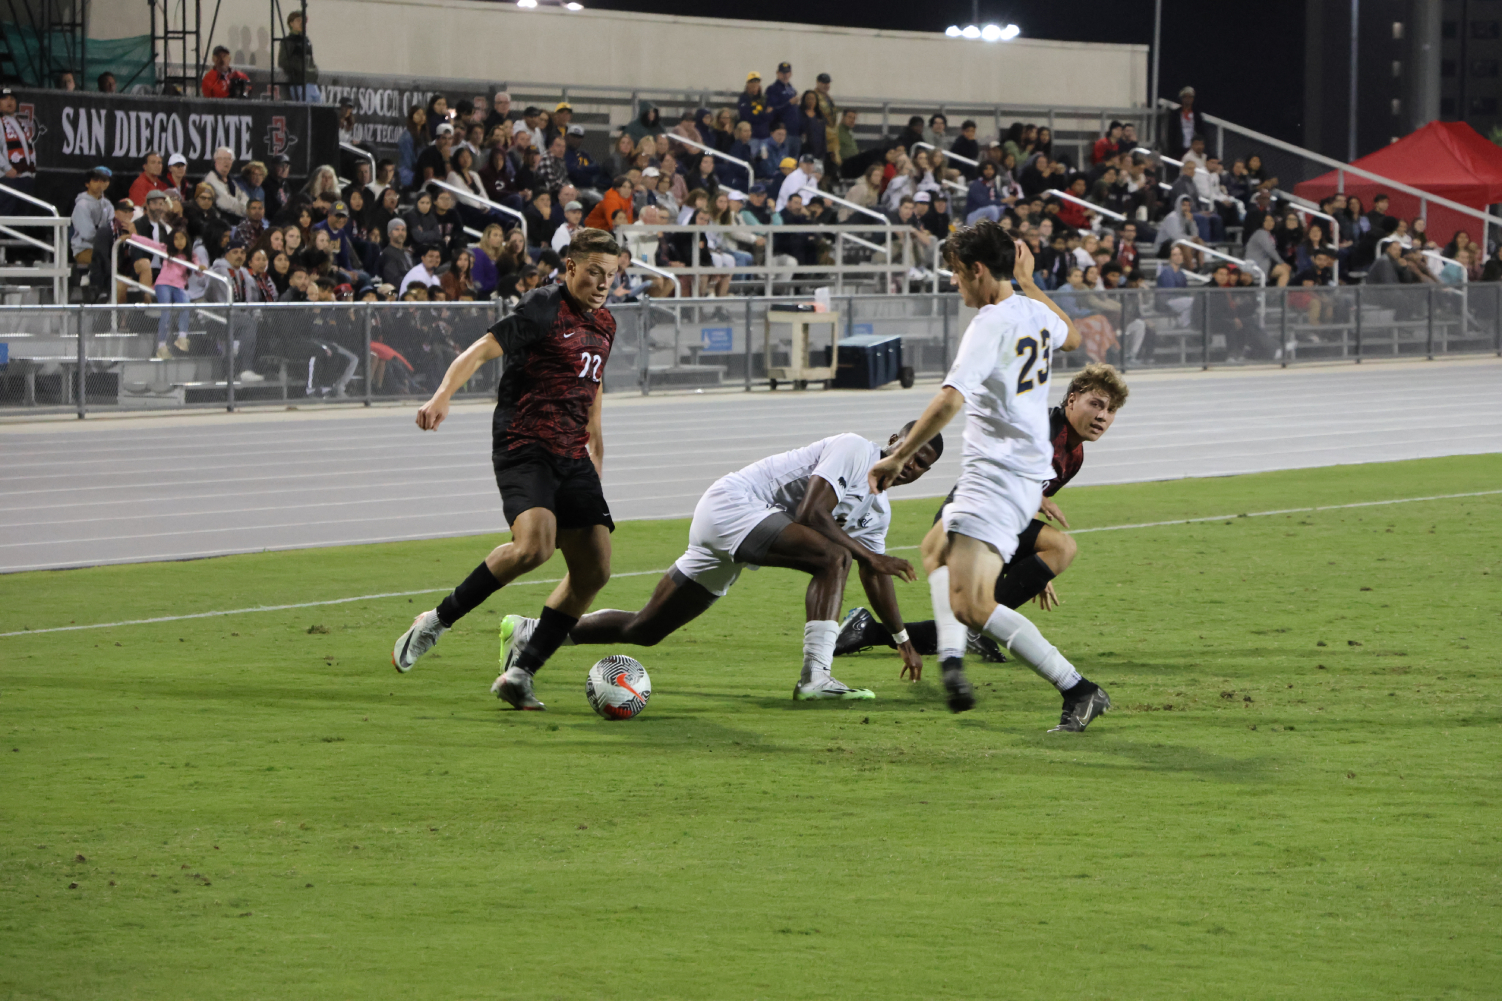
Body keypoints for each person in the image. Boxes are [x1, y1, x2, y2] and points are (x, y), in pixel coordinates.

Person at [870, 221, 1113, 731]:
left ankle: (1078, 688)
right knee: (934, 548)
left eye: (957, 275)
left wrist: (897, 457)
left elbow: (950, 398)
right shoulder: (1030, 310)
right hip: (1014, 476)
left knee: (975, 605)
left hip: (998, 477)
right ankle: (953, 662)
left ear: (978, 270)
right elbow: (1071, 336)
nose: (956, 284)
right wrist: (1029, 281)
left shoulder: (990, 322)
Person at [509, 425, 939, 701]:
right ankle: (816, 676)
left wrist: (902, 637)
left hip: (745, 528)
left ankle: (530, 636)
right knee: (834, 556)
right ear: (897, 438)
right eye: (913, 450)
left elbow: (874, 574)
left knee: (644, 629)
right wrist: (869, 555)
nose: (913, 465)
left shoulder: (877, 512)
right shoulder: (855, 449)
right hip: (733, 505)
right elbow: (813, 513)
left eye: (924, 464)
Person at [391, 228, 623, 716]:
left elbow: (592, 392)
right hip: (525, 444)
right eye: (595, 273)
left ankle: (521, 671)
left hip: (571, 454)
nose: (603, 283)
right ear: (571, 270)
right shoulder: (543, 307)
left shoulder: (605, 324)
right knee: (534, 546)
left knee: (595, 568)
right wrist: (442, 395)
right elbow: (480, 350)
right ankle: (436, 621)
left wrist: (595, 456)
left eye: (612, 275)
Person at [839, 364, 1128, 659]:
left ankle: (869, 630)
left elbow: (1023, 510)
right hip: (966, 522)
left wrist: (1039, 568)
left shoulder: (1074, 457)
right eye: (1096, 404)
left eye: (1111, 410)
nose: (1102, 416)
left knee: (967, 621)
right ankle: (977, 629)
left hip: (997, 528)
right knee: (1062, 547)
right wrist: (1032, 495)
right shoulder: (1039, 428)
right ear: (1071, 400)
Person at [0, 87, 38, 211]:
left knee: (23, 217)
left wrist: (32, 171)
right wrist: (7, 168)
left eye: (12, 98)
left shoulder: (21, 123)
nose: (9, 101)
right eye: (4, 99)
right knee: (8, 215)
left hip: (25, 178)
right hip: (8, 178)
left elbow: (30, 148)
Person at [70, 166, 112, 266]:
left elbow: (112, 225)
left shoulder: (107, 204)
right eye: (96, 180)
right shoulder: (82, 205)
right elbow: (87, 234)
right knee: (106, 261)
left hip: (104, 247)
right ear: (87, 183)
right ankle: (88, 279)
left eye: (103, 180)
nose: (100, 183)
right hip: (84, 249)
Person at [277, 9, 319, 103]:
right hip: (299, 83)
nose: (302, 23)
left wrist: (313, 70)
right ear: (291, 23)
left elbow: (311, 60)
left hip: (310, 82)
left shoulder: (306, 41)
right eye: (298, 20)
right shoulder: (289, 41)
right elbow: (283, 61)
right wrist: (299, 67)